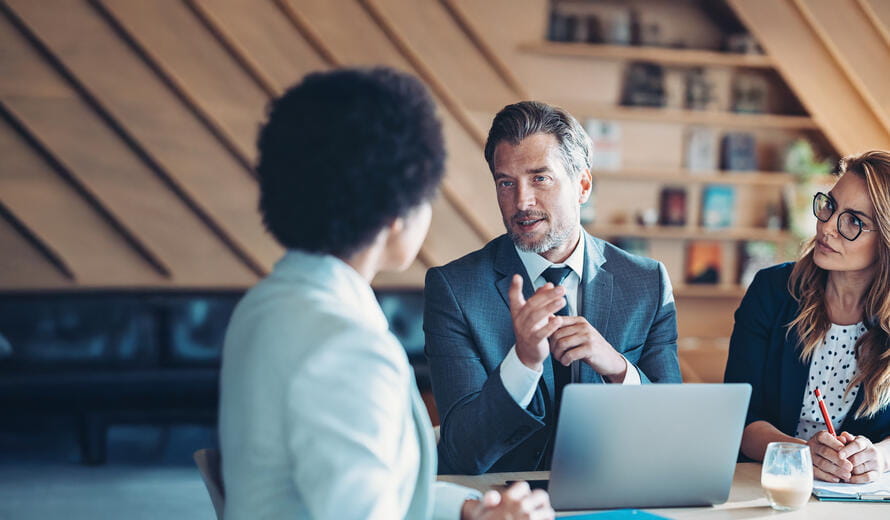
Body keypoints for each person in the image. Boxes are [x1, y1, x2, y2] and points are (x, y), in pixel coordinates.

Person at [218, 68, 554, 519]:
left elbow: (379, 491)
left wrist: (470, 509)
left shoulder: (264, 306)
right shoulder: (347, 348)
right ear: (398, 211)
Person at [424, 101, 681, 475]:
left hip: (616, 493)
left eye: (540, 178)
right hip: (505, 502)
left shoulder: (646, 283)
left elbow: (673, 430)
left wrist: (617, 368)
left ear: (583, 185)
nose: (521, 202)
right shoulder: (455, 289)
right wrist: (523, 363)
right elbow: (464, 453)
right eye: (506, 183)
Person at [725, 150, 890, 483]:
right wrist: (799, 452)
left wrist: (879, 456)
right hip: (769, 486)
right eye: (829, 205)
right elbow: (739, 418)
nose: (827, 226)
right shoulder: (773, 290)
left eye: (854, 221)